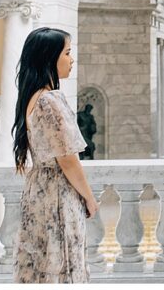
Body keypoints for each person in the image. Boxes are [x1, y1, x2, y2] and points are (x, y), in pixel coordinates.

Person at [12, 28, 99, 283]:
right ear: (50, 57)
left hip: (39, 190)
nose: (72, 59)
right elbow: (68, 160)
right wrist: (90, 198)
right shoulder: (49, 100)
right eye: (68, 53)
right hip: (57, 193)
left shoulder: (33, 97)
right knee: (62, 261)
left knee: (42, 262)